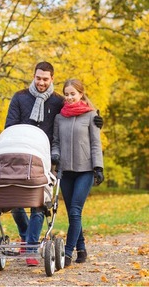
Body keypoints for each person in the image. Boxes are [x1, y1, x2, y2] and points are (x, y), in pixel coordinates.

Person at [4, 62, 103, 266]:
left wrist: (98, 122)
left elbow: (79, 110)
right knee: (15, 204)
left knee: (42, 204)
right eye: (38, 78)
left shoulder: (58, 101)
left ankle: (36, 247)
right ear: (33, 76)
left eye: (45, 79)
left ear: (51, 79)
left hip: (46, 161)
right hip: (23, 157)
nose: (41, 82)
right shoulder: (20, 97)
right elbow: (10, 126)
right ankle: (26, 236)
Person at [51, 78, 104, 267]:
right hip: (65, 171)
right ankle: (81, 248)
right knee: (73, 213)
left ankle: (67, 252)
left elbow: (96, 143)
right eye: (66, 94)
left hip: (85, 170)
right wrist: (55, 155)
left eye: (73, 93)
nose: (69, 97)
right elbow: (55, 142)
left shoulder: (91, 116)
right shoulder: (59, 117)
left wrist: (98, 167)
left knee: (75, 211)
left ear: (81, 94)